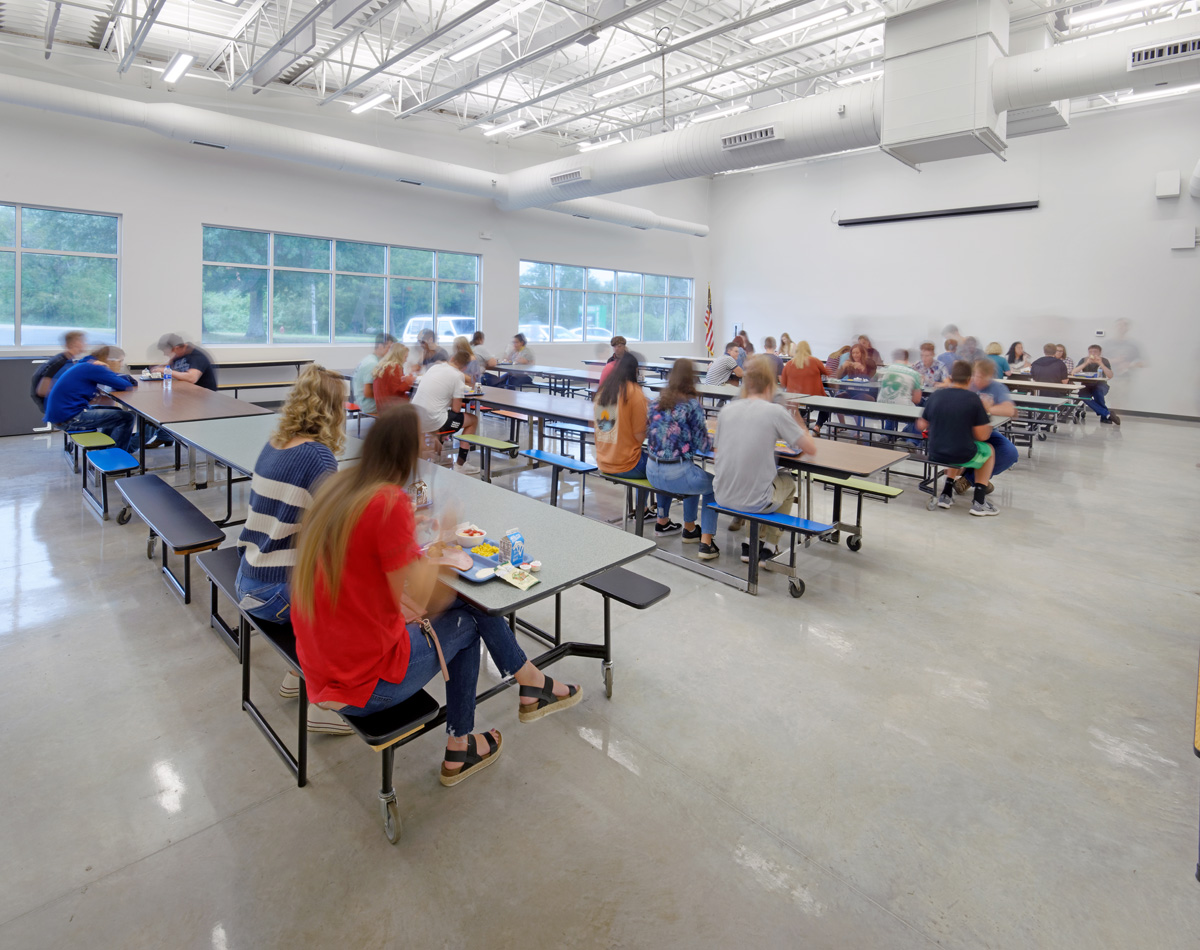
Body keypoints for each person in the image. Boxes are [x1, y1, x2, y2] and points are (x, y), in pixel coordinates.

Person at [291, 405, 582, 777]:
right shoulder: (388, 503)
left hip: (321, 664)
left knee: (467, 606)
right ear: (409, 449)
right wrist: (444, 536)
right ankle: (473, 734)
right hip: (363, 685)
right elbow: (430, 598)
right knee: (469, 618)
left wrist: (408, 529)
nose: (433, 446)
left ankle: (527, 683)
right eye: (427, 440)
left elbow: (365, 560)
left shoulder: (343, 487)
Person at [234, 365, 347, 726]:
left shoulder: (276, 443)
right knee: (357, 594)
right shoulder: (317, 457)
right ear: (333, 409)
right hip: (276, 592)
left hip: (249, 574)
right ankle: (327, 703)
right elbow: (338, 528)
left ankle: (298, 671)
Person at [714, 356, 816, 564]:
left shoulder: (726, 411)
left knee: (760, 480)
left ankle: (750, 542)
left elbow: (717, 453)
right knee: (786, 483)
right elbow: (809, 448)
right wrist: (796, 416)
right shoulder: (775, 411)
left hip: (721, 494)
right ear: (771, 385)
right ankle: (770, 545)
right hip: (755, 501)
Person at [646, 360, 720, 560]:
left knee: (693, 473)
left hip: (651, 470)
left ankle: (681, 525)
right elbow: (703, 445)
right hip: (676, 473)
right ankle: (706, 542)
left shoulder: (655, 402)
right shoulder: (691, 406)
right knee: (713, 486)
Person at [593, 353, 675, 534]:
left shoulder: (604, 392)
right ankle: (663, 520)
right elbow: (639, 437)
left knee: (646, 459)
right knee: (661, 468)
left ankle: (643, 510)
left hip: (604, 460)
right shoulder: (633, 392)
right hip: (626, 463)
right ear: (635, 371)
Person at [917, 360, 999, 517]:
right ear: (969, 379)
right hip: (960, 453)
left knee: (955, 444)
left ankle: (946, 494)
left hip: (935, 452)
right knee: (989, 450)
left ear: (950, 377)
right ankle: (979, 502)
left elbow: (921, 425)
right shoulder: (973, 399)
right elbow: (982, 436)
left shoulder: (936, 395)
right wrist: (987, 416)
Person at [43, 345, 138, 452]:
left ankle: (105, 449)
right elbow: (124, 385)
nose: (120, 365)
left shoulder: (87, 363)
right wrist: (110, 371)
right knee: (127, 418)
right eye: (120, 361)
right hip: (69, 418)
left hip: (61, 415)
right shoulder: (96, 368)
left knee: (116, 412)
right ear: (110, 360)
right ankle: (115, 456)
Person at [955, 358, 1019, 495]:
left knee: (1010, 453)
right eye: (976, 375)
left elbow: (1009, 410)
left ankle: (969, 478)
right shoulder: (967, 384)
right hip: (962, 431)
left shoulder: (997, 388)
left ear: (990, 377)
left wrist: (988, 408)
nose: (977, 380)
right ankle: (975, 477)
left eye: (982, 377)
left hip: (987, 432)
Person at [411, 351, 481, 473]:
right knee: (472, 420)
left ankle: (437, 458)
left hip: (414, 416)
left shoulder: (434, 367)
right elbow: (456, 409)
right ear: (465, 367)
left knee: (444, 415)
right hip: (433, 420)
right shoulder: (458, 376)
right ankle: (461, 464)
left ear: (452, 358)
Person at [30, 329, 87, 413]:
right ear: (75, 343)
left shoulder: (65, 360)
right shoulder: (60, 363)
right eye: (82, 341)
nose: (85, 344)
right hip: (55, 407)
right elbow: (42, 390)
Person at [780, 341, 829, 435]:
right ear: (808, 350)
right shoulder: (815, 361)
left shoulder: (789, 364)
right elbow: (827, 373)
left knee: (799, 409)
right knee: (827, 405)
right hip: (815, 398)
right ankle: (817, 426)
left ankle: (797, 425)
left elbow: (783, 383)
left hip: (795, 399)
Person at [1073, 344, 1120, 425]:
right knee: (1083, 396)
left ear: (1100, 353)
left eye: (1095, 352)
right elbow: (1073, 372)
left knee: (1098, 392)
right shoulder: (1084, 360)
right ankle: (1107, 415)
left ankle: (1106, 415)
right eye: (1090, 352)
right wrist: (1085, 363)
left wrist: (1101, 363)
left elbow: (1110, 375)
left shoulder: (1104, 361)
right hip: (1086, 386)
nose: (1093, 354)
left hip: (1100, 385)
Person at [352, 332, 395, 415]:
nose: (390, 352)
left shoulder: (369, 359)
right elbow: (367, 392)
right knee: (402, 408)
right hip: (369, 405)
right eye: (389, 348)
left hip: (362, 401)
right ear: (380, 346)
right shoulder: (372, 364)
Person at [369, 343, 414, 411]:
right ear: (399, 356)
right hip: (393, 407)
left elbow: (390, 385)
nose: (406, 360)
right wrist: (409, 380)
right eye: (405, 357)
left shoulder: (382, 366)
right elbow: (398, 390)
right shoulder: (394, 367)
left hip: (382, 406)